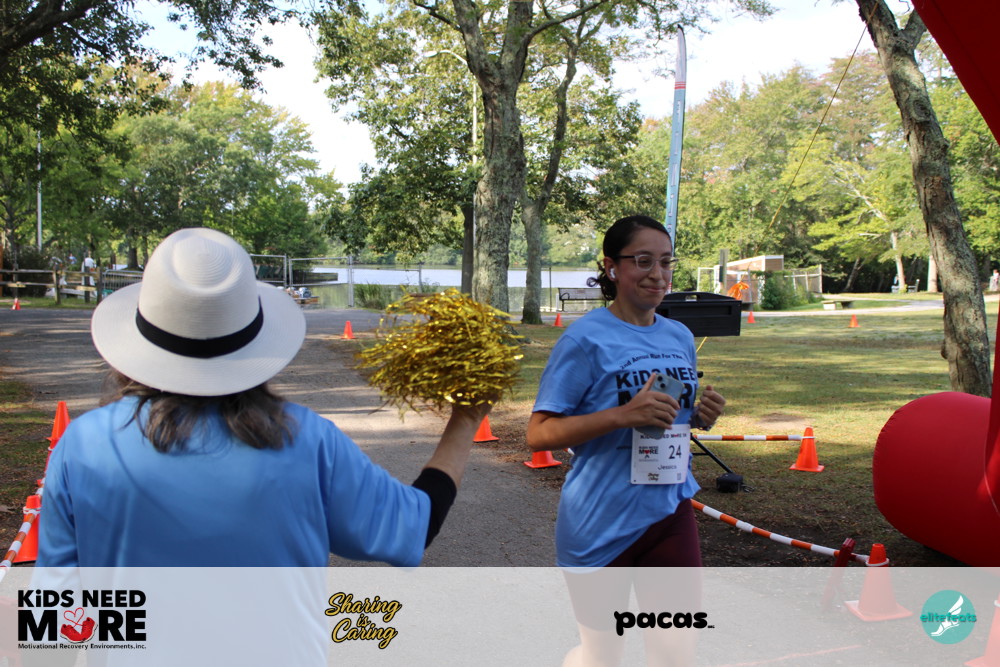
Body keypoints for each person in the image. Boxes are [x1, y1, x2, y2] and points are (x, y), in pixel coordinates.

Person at [37, 227, 492, 569]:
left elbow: (56, 620)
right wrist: (466, 419)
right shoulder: (307, 440)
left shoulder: (83, 446)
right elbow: (414, 526)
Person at [526, 214, 725, 666]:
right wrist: (620, 415)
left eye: (666, 262)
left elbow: (668, 416)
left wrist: (700, 416)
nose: (657, 274)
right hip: (600, 520)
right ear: (612, 267)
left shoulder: (679, 336)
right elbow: (538, 434)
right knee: (604, 656)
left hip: (669, 511)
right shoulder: (585, 339)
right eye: (643, 261)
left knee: (675, 653)